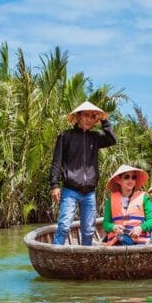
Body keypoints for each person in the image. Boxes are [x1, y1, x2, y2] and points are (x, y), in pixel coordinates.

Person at [50, 101, 116, 246]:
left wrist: (104, 120)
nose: (89, 119)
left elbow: (112, 140)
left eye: (93, 117)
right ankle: (57, 255)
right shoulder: (65, 136)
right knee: (64, 226)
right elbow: (57, 162)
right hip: (70, 191)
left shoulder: (95, 138)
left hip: (89, 192)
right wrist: (54, 185)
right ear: (78, 116)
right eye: (86, 115)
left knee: (88, 230)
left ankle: (85, 259)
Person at [102, 165, 152, 245]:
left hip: (140, 241)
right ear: (118, 180)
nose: (131, 180)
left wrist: (140, 228)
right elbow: (106, 223)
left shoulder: (144, 198)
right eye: (126, 177)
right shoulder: (110, 200)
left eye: (133, 177)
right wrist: (113, 227)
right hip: (118, 240)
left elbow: (151, 220)